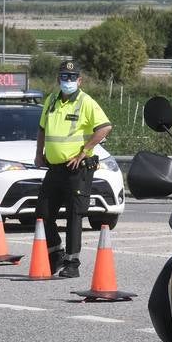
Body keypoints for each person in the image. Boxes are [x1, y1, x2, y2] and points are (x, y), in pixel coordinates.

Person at [34, 59, 113, 278]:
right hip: (54, 168)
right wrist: (39, 153)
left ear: (79, 80)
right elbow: (42, 129)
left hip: (77, 170)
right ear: (58, 79)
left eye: (71, 77)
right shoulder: (51, 100)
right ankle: (56, 254)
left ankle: (72, 262)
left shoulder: (86, 102)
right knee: (43, 213)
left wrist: (83, 151)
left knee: (74, 215)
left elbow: (105, 127)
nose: (67, 81)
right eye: (64, 77)